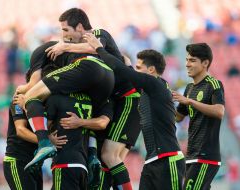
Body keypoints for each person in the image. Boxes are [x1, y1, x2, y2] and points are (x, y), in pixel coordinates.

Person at [46, 8, 141, 189]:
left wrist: (64, 46)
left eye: (66, 30)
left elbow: (95, 47)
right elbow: (122, 59)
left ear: (80, 27)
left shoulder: (97, 34)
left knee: (108, 155)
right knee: (108, 162)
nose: (64, 36)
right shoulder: (81, 54)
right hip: (115, 101)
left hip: (128, 99)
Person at [83, 33, 185, 190]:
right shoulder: (150, 89)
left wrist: (98, 48)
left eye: (139, 68)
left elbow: (121, 71)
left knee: (109, 155)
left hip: (168, 159)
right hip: (152, 161)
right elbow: (127, 74)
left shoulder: (155, 83)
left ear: (151, 70)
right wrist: (128, 64)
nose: (135, 71)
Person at [172, 43, 225, 189]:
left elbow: (219, 111)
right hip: (192, 154)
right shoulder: (189, 88)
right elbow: (178, 117)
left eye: (192, 60)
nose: (187, 64)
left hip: (206, 156)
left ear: (205, 63)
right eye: (187, 60)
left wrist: (190, 101)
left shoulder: (214, 84)